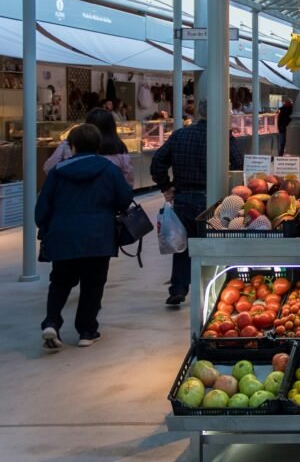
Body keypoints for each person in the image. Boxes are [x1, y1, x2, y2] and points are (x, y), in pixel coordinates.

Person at [37, 124, 134, 350]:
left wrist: (45, 227)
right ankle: (87, 331)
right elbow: (124, 199)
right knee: (93, 283)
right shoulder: (108, 169)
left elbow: (42, 208)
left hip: (63, 235)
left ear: (72, 146)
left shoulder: (58, 171)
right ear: (98, 145)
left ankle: (51, 322)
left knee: (60, 281)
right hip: (98, 236)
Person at [151, 99, 243, 306]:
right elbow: (238, 164)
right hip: (212, 200)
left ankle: (178, 288)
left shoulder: (180, 135)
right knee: (213, 243)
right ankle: (215, 286)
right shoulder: (222, 137)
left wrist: (166, 187)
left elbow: (157, 162)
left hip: (183, 198)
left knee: (183, 244)